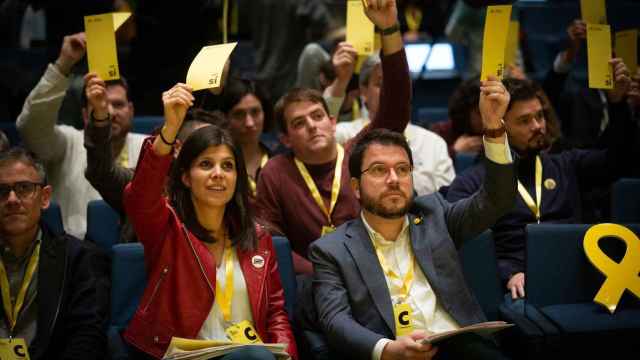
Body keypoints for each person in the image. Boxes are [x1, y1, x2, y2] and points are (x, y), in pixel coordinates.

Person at [309, 74, 516, 359]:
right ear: (355, 187)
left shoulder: (436, 214)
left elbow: (497, 199)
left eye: (403, 169)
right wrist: (387, 350)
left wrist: (493, 129)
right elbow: (335, 321)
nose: (394, 179)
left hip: (460, 346)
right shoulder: (331, 250)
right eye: (380, 170)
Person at [122, 83, 297, 359]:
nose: (218, 174)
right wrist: (169, 131)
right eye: (206, 165)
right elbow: (139, 197)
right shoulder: (167, 229)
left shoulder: (258, 237)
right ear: (185, 177)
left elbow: (275, 314)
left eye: (227, 166)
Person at [447, 61, 634, 301]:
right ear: (501, 126)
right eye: (525, 121)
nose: (538, 126)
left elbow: (620, 162)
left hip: (578, 273)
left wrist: (618, 105)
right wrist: (507, 273)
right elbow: (464, 246)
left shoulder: (565, 164)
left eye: (540, 116)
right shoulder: (471, 182)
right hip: (517, 286)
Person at [256, 0, 411, 275]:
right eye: (299, 123)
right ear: (286, 139)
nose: (312, 126)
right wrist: (319, 273)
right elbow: (270, 243)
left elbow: (396, 107)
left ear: (331, 121)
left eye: (317, 116)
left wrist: (389, 29)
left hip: (373, 271)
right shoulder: (275, 173)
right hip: (311, 283)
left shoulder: (358, 151)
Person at [15, 32, 146, 239]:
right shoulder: (67, 142)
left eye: (118, 104)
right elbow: (30, 127)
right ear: (85, 114)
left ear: (131, 110)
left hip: (137, 253)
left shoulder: (150, 147)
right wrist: (63, 64)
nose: (109, 112)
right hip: (72, 257)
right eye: (99, 103)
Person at [0, 147, 109, 359]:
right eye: (2, 191)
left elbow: (87, 339)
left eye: (24, 188)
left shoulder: (80, 259)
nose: (12, 199)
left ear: (44, 197)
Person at [84, 105, 223, 244]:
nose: (217, 170)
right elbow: (101, 172)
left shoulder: (229, 189)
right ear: (177, 149)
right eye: (204, 147)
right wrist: (100, 120)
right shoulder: (141, 185)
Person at [335, 54, 455, 196]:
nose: (390, 93)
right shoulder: (344, 134)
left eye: (397, 86)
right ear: (364, 91)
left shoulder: (433, 143)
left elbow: (446, 195)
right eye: (380, 84)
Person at [220, 78, 276, 197]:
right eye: (239, 114)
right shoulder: (218, 168)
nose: (249, 123)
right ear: (225, 118)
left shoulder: (280, 164)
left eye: (255, 112)